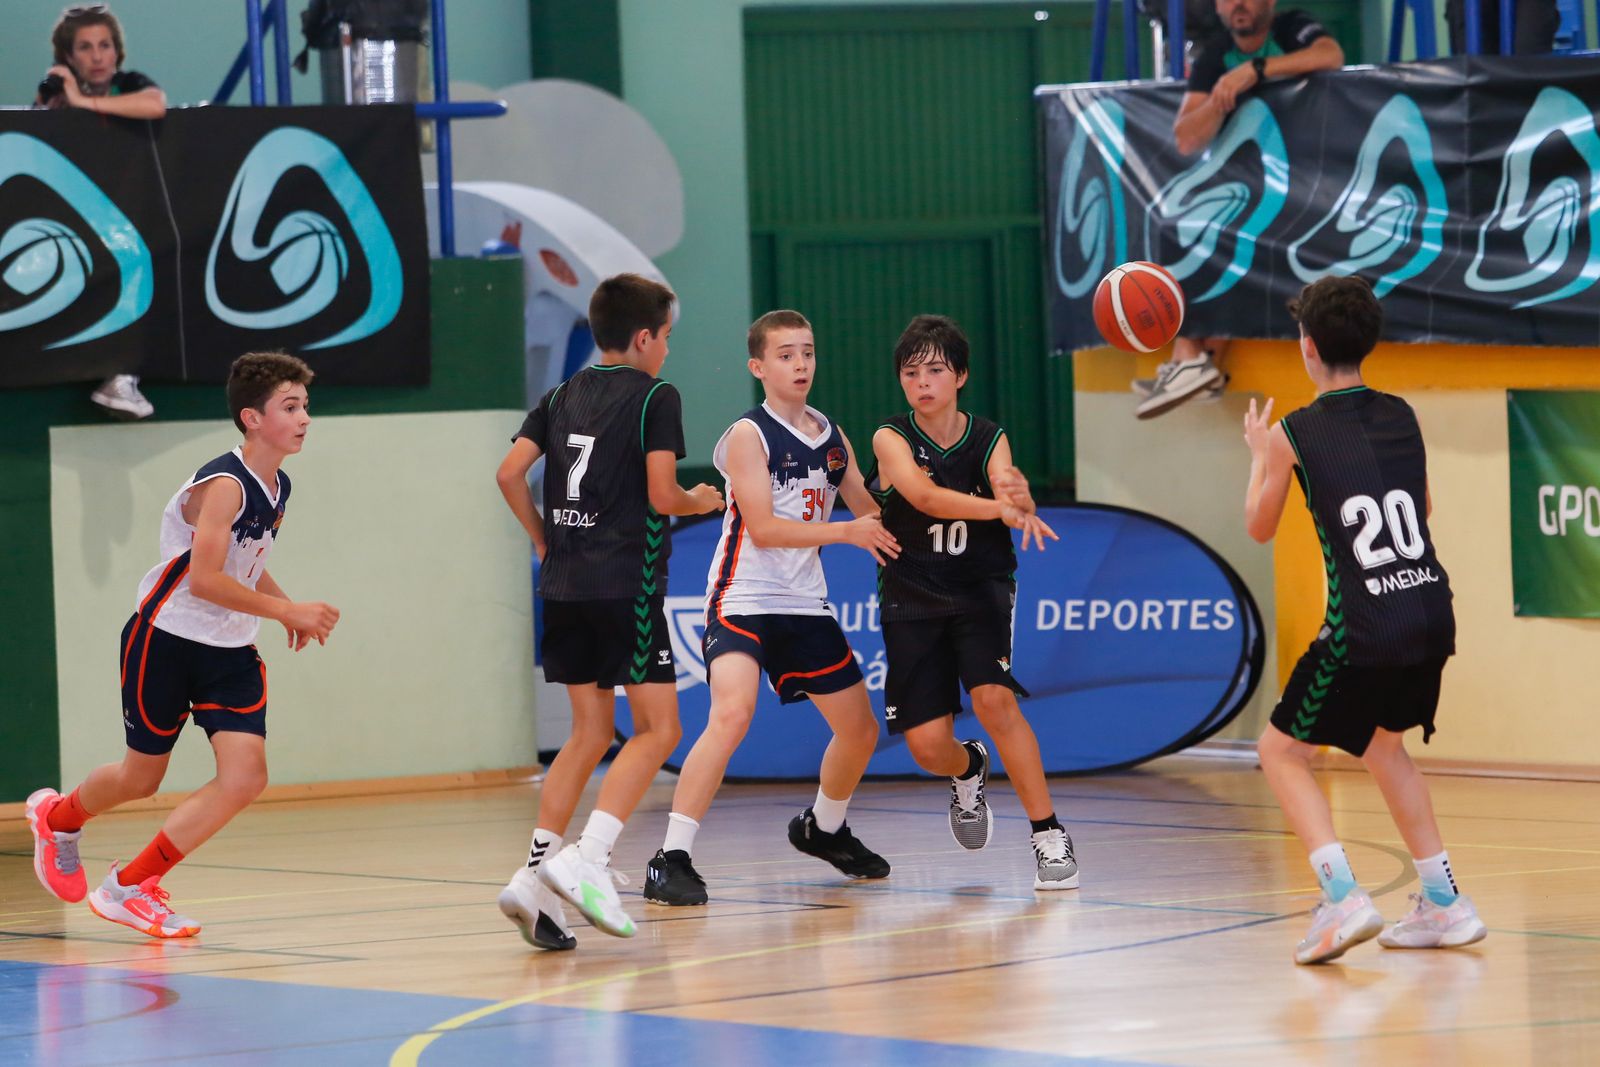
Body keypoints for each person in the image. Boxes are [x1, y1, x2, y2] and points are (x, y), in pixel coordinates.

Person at [24, 352, 339, 938]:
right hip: (165, 639)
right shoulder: (223, 485)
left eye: (305, 406)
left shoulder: (278, 484)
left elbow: (244, 565)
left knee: (245, 778)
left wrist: (285, 607)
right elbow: (205, 579)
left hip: (229, 651)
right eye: (290, 407)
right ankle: (57, 817)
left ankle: (130, 886)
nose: (304, 419)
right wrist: (285, 610)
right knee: (141, 778)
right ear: (251, 417)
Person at [1242, 276, 1484, 964]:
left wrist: (1260, 457)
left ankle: (1342, 897)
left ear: (1308, 348)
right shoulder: (1402, 412)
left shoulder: (1294, 431)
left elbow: (1259, 526)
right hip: (1432, 611)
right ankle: (1443, 900)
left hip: (1365, 626)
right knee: (1384, 746)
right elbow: (1424, 507)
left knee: (1280, 751)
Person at [493, 273, 723, 947]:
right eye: (668, 339)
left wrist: (541, 536)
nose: (669, 352)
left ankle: (534, 881)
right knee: (659, 728)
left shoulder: (562, 393)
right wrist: (700, 499)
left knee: (589, 732)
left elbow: (509, 473)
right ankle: (588, 857)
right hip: (626, 582)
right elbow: (661, 494)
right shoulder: (656, 396)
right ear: (645, 337)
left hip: (563, 585)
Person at [643, 311, 900, 906]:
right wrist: (846, 534)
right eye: (785, 355)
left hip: (805, 603)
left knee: (859, 731)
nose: (800, 364)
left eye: (807, 352)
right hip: (743, 595)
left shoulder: (831, 436)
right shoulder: (747, 435)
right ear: (759, 367)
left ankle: (824, 828)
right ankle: (670, 856)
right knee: (732, 714)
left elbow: (872, 509)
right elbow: (761, 527)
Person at [866, 315, 1079, 891]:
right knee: (928, 747)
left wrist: (1019, 493)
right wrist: (1002, 511)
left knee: (995, 700)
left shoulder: (987, 435)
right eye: (911, 373)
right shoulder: (890, 437)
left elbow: (1004, 476)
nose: (922, 382)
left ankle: (1048, 834)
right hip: (910, 595)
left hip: (980, 586)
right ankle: (969, 769)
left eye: (935, 370)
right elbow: (926, 498)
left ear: (960, 375)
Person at [1138, 0, 1343, 420]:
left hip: (1311, 189)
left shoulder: (1291, 28)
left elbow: (1331, 56)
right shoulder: (1216, 53)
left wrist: (1258, 71)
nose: (1239, 4)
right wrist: (1219, 99)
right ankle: (1195, 360)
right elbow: (1185, 139)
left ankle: (1192, 361)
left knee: (1220, 227)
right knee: (1180, 223)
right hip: (1252, 192)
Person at [35, 4, 167, 421]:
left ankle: (121, 377)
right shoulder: (55, 92)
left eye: (105, 46)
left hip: (128, 214)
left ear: (116, 52)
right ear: (68, 58)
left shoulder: (130, 85)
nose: (97, 56)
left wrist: (83, 103)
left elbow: (156, 105)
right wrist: (62, 99)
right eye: (85, 48)